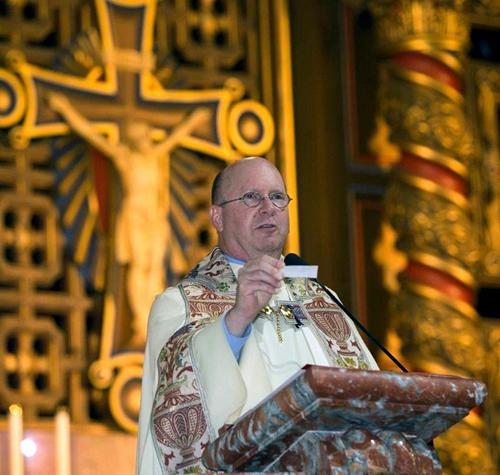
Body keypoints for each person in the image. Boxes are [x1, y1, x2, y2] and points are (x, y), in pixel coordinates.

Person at [136, 157, 378, 473]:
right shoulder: (178, 304)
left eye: (277, 197)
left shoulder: (324, 302)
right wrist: (237, 319)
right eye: (251, 197)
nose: (268, 208)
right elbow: (179, 413)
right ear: (217, 217)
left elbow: (372, 405)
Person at [48, 92, 210, 345]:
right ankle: (138, 322)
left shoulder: (156, 155)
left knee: (153, 268)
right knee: (138, 268)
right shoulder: (126, 157)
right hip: (134, 215)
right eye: (138, 134)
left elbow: (175, 137)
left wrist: (194, 120)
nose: (143, 138)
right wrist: (65, 108)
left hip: (155, 217)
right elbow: (91, 135)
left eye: (145, 134)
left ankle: (152, 321)